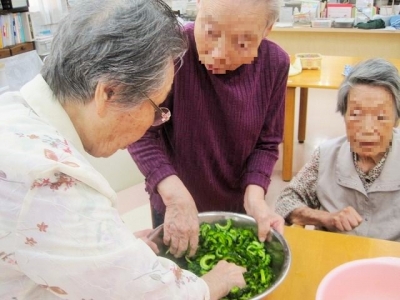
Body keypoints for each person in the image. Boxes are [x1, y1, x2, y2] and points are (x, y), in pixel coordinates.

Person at [0, 1, 247, 299]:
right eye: (157, 107)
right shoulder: (52, 182)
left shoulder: (12, 110)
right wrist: (213, 283)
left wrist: (111, 252)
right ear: (108, 92)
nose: (152, 124)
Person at [128, 0, 289, 258]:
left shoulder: (275, 64)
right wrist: (174, 196)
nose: (218, 54)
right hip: (173, 199)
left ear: (267, 29)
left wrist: (255, 199)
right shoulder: (170, 49)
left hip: (235, 207)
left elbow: (266, 143)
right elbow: (140, 131)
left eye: (243, 43)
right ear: (199, 5)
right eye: (210, 32)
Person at [275, 58, 400, 242]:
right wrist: (326, 218)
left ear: (396, 120)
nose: (367, 129)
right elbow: (285, 202)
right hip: (334, 258)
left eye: (381, 117)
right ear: (344, 115)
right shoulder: (326, 155)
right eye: (356, 115)